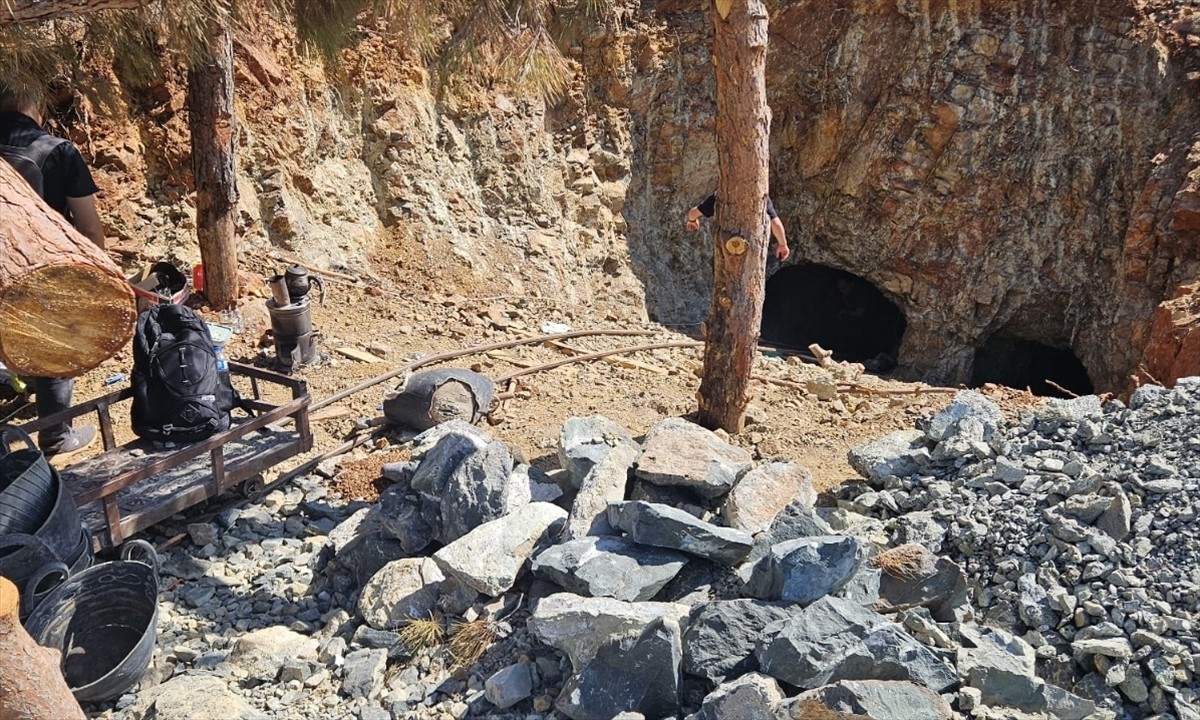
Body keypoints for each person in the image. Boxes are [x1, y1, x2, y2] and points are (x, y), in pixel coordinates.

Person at [0, 86, 103, 456]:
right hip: (37, 271)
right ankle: (57, 436)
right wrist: (96, 276)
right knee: (54, 342)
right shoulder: (58, 151)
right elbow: (89, 227)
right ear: (34, 102)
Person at [684, 192, 790, 263]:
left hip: (727, 245)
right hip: (751, 247)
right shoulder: (760, 196)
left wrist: (692, 221)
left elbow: (693, 213)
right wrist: (782, 244)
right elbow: (775, 222)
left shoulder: (720, 196)